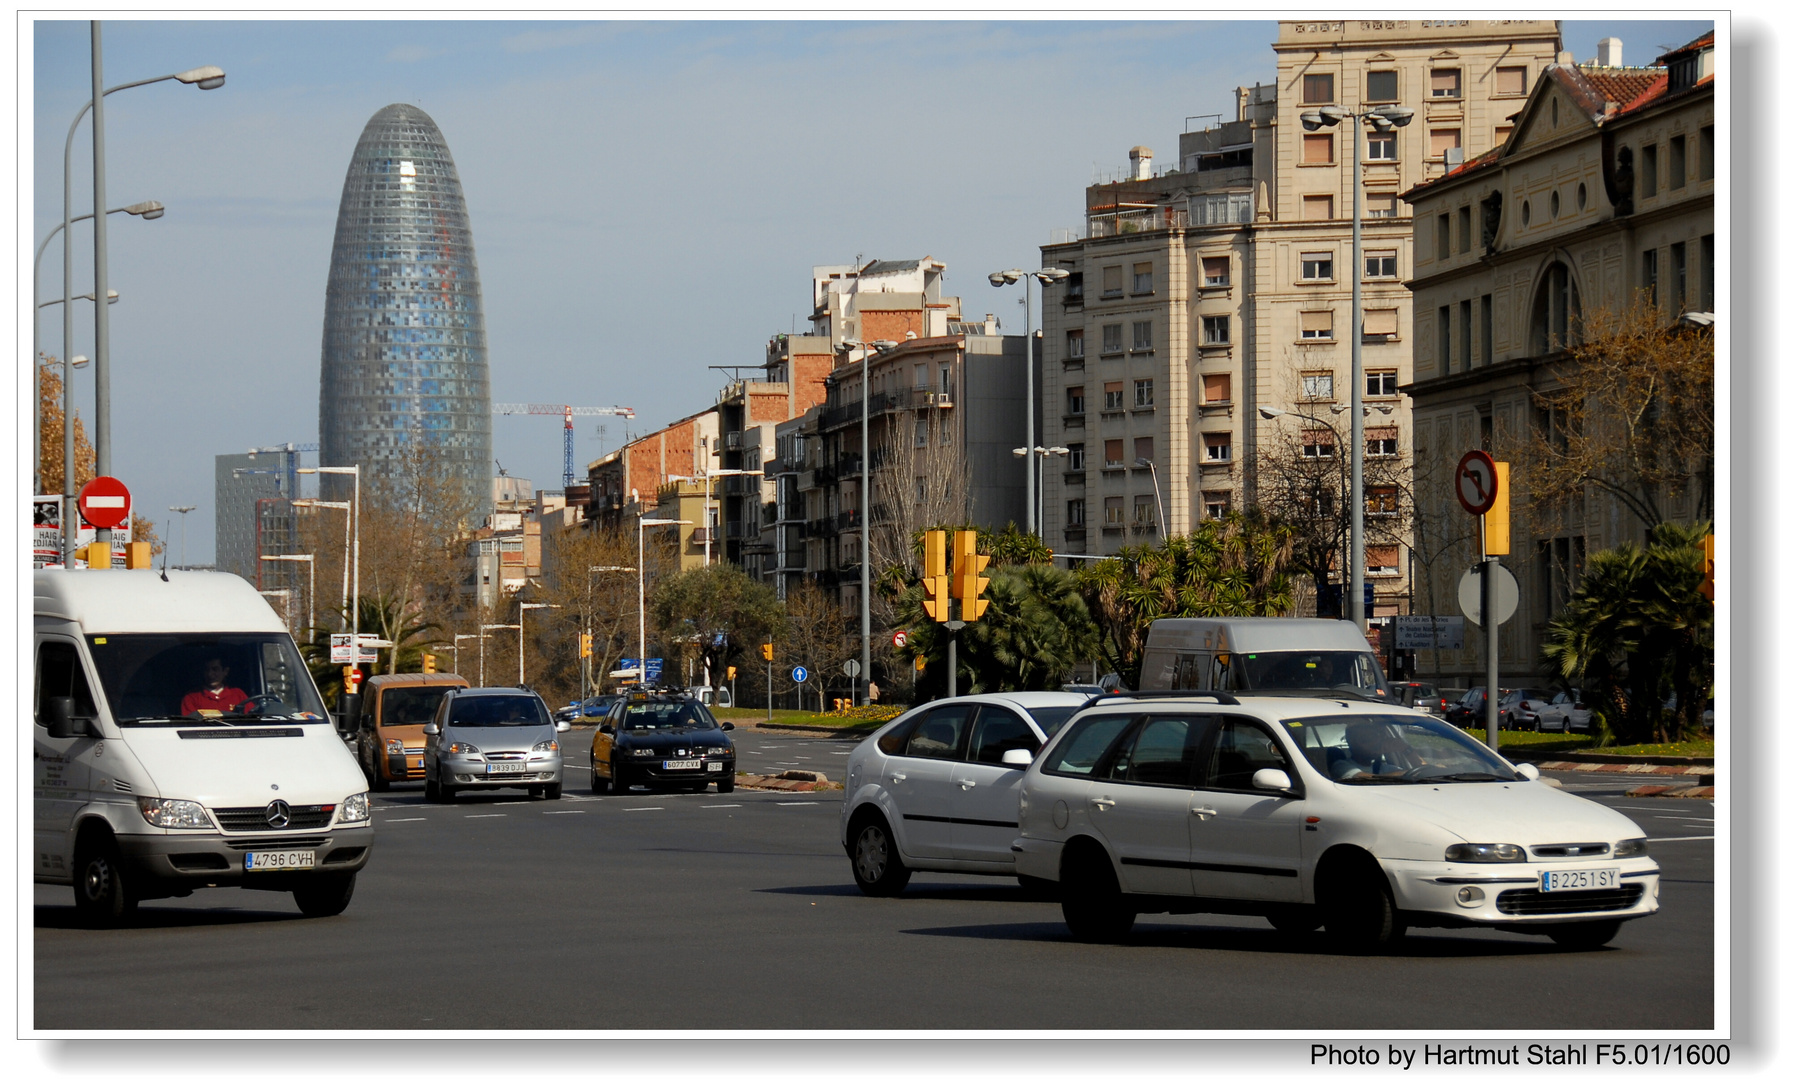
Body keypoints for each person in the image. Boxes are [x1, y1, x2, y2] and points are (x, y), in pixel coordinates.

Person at [1332, 723, 1416, 779]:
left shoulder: (1386, 768)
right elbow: (1363, 778)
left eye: (1376, 738)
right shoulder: (1341, 766)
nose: (1375, 743)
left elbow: (1426, 771)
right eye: (1367, 739)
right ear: (1352, 743)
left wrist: (1406, 749)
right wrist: (1409, 774)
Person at [181, 657, 249, 715]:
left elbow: (251, 717)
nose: (210, 674)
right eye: (207, 670)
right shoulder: (191, 697)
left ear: (225, 671)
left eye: (215, 669)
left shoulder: (238, 694)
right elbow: (190, 725)